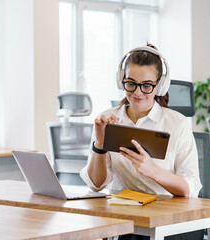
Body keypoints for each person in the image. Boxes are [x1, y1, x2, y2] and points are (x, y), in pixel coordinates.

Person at [80, 44, 203, 240]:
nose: (138, 92)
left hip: (172, 222)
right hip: (130, 221)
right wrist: (100, 145)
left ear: (160, 85)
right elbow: (96, 184)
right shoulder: (107, 119)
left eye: (146, 85)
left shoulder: (177, 123)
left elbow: (188, 189)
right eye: (131, 83)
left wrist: (153, 170)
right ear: (122, 82)